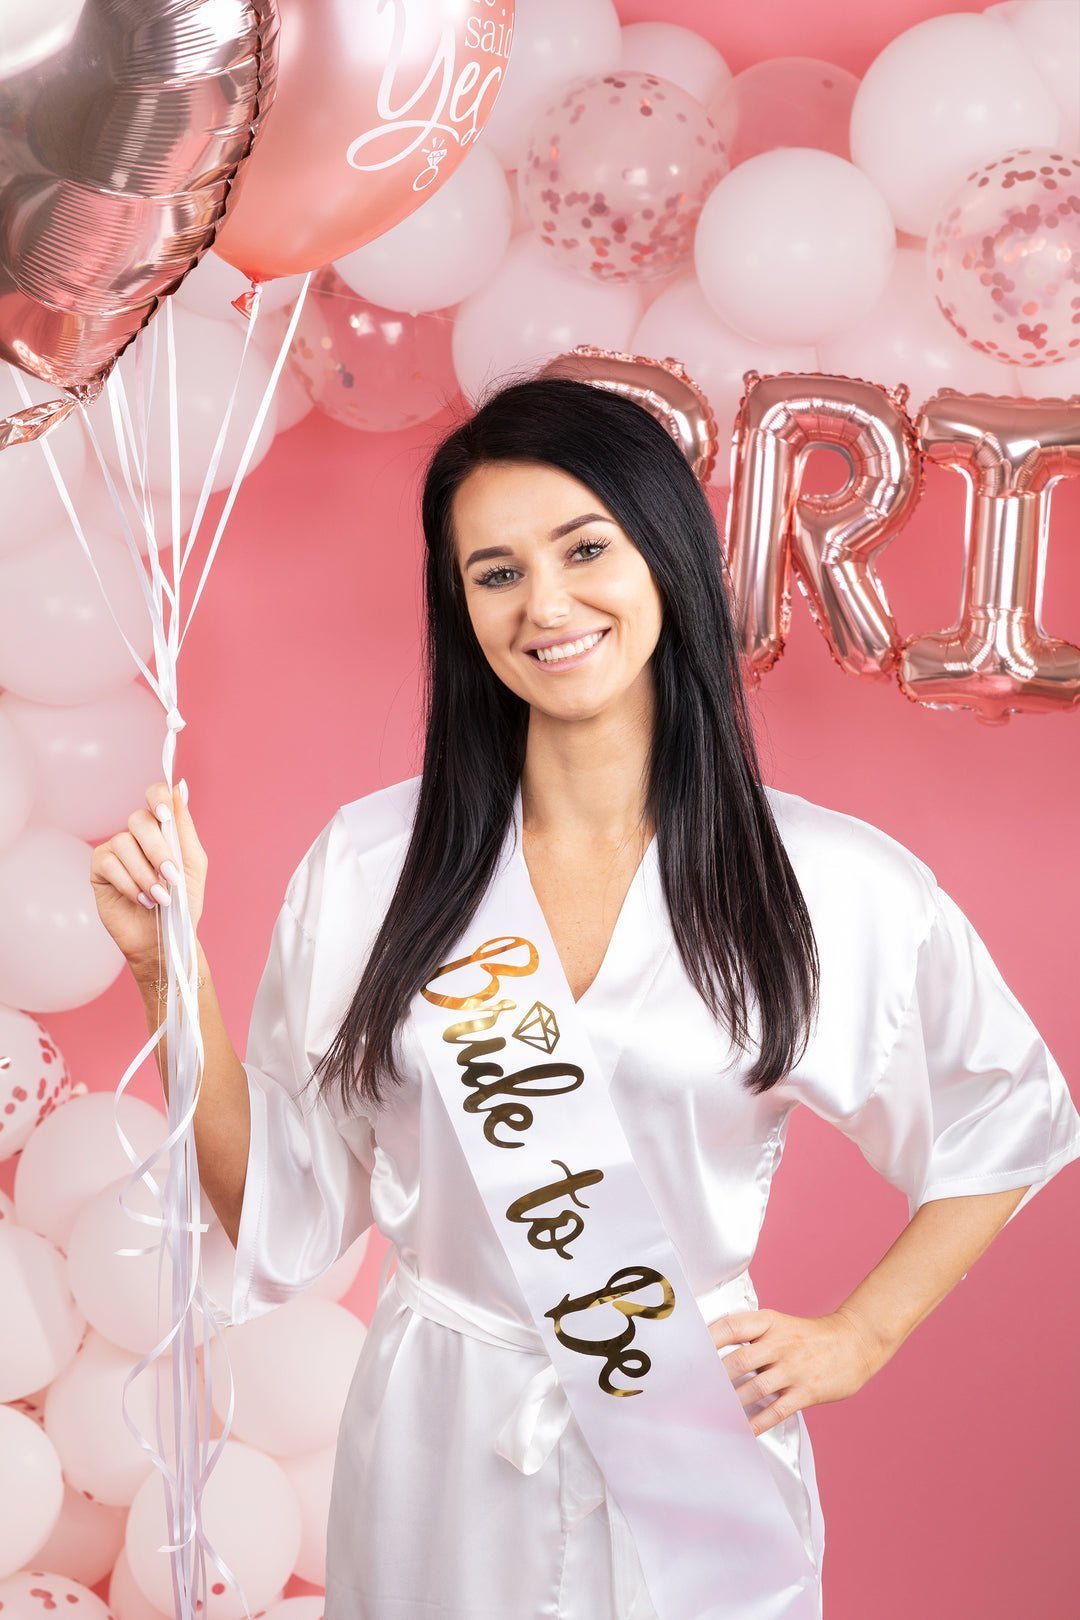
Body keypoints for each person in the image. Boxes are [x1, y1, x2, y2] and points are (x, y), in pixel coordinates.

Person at [93, 376, 1080, 1619]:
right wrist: (165, 972)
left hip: (689, 1432)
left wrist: (862, 1335)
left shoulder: (826, 880)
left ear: (663, 550)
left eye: (584, 548)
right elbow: (280, 1206)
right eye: (496, 573)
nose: (546, 606)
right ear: (460, 608)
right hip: (444, 1438)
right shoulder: (372, 866)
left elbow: (1007, 1113)